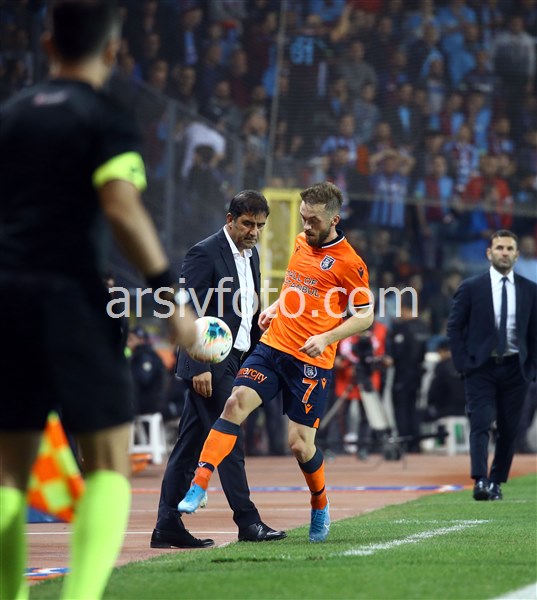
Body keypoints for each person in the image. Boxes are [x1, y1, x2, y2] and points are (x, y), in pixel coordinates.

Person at [0, 2, 198, 599]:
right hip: (72, 299)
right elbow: (120, 205)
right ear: (113, 51)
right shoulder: (105, 117)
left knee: (10, 475)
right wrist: (169, 296)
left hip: (8, 299)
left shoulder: (10, 115)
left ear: (47, 44)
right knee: (109, 464)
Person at [178, 181, 374, 542]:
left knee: (299, 445)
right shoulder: (301, 242)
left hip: (311, 361)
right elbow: (296, 287)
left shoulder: (350, 263)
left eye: (313, 221)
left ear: (334, 220)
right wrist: (276, 307)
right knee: (234, 404)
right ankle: (199, 483)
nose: (306, 226)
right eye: (303, 218)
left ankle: (320, 503)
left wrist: (327, 337)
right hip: (273, 346)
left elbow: (365, 316)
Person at [151, 190, 286, 548]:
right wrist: (199, 364)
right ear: (230, 220)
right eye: (247, 224)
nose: (254, 232)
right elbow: (187, 309)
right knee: (229, 437)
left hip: (237, 359)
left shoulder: (252, 254)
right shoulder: (204, 252)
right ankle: (248, 521)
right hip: (209, 363)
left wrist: (260, 353)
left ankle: (167, 525)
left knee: (191, 445)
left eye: (259, 225)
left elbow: (247, 310)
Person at [447, 230, 537, 501]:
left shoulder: (530, 290)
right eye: (499, 248)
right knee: (481, 422)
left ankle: (496, 481)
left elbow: (534, 333)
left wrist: (531, 368)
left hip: (516, 368)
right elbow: (454, 328)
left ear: (517, 255)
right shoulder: (471, 287)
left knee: (509, 429)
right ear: (489, 253)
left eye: (509, 249)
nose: (504, 253)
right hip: (481, 368)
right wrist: (464, 364)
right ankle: (480, 480)